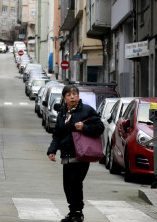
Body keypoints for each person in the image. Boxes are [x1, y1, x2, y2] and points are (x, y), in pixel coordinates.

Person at [47, 85, 104, 222]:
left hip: (81, 154)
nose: (72, 97)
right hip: (66, 155)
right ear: (64, 98)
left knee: (76, 182)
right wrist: (52, 150)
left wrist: (84, 127)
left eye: (74, 94)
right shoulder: (62, 113)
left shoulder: (87, 111)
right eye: (69, 95)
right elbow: (57, 135)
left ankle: (78, 212)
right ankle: (72, 212)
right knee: (67, 185)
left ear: (78, 96)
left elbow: (99, 127)